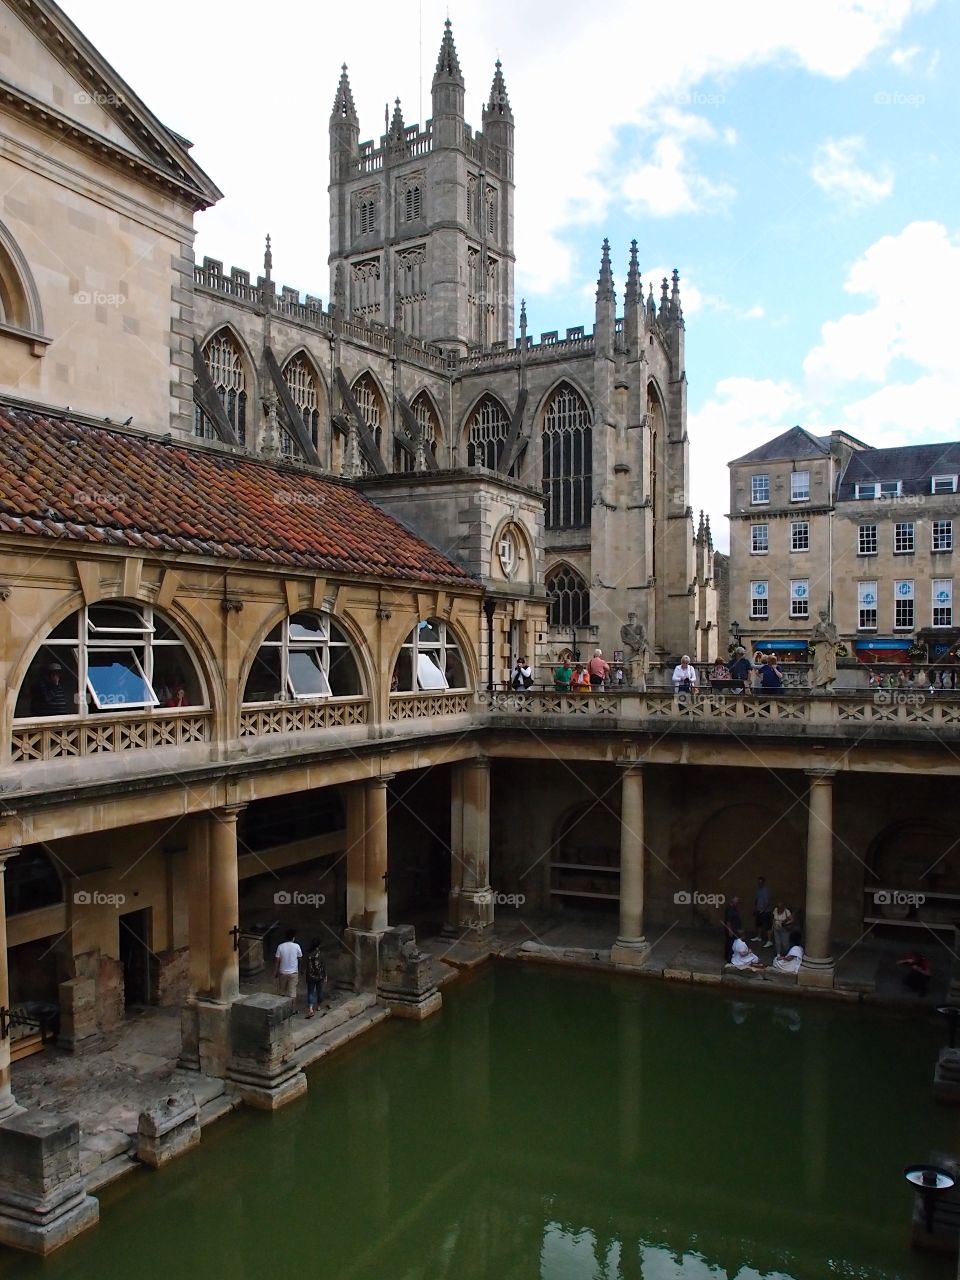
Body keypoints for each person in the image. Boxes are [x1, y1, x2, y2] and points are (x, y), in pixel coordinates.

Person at [811, 608, 839, 690]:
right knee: (820, 665)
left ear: (827, 616)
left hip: (829, 649)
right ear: (819, 616)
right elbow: (812, 639)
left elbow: (836, 639)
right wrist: (824, 639)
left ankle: (828, 684)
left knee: (829, 666)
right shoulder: (816, 627)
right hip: (820, 648)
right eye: (821, 615)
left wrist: (829, 638)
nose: (823, 616)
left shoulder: (832, 626)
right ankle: (819, 683)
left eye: (824, 615)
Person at [274, 928, 302, 1000]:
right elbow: (300, 958)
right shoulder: (297, 946)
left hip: (283, 972)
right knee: (292, 993)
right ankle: (293, 1010)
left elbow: (277, 960)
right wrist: (300, 969)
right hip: (293, 973)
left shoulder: (280, 946)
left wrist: (276, 971)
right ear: (293, 937)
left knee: (282, 992)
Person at [305, 937, 326, 1018]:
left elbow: (305, 966)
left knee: (310, 992)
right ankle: (319, 1006)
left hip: (310, 976)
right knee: (319, 991)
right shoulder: (321, 954)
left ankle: (310, 1008)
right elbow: (323, 966)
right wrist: (325, 975)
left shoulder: (308, 954)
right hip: (319, 976)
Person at [752, 876, 772, 947]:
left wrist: (763, 910)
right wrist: (755, 907)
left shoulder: (766, 890)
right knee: (759, 924)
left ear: (763, 882)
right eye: (758, 882)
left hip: (766, 911)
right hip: (759, 909)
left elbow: (767, 901)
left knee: (767, 926)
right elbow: (756, 899)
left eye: (761, 882)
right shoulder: (758, 890)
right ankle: (759, 937)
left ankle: (769, 941)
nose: (759, 883)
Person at [723, 896, 742, 963]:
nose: (737, 903)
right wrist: (730, 930)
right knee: (730, 943)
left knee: (730, 942)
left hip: (734, 929)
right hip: (731, 929)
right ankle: (729, 958)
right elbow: (728, 921)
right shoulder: (730, 909)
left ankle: (728, 956)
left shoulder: (734, 908)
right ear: (733, 902)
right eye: (737, 902)